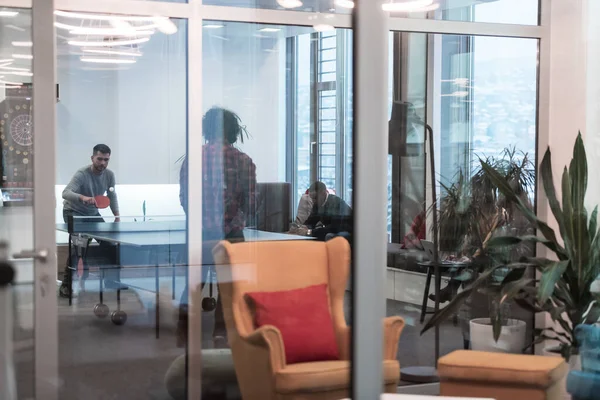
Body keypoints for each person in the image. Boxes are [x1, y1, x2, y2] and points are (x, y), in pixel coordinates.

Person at [177, 106, 257, 348]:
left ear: (206, 130)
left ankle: (183, 331)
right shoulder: (244, 161)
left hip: (200, 233)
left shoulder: (193, 159)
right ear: (234, 131)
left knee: (194, 282)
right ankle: (220, 333)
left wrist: (200, 219)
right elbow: (251, 202)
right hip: (231, 235)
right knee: (228, 287)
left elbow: (185, 197)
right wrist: (233, 219)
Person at [59, 144, 122, 298]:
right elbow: (65, 193)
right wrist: (83, 198)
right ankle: (66, 286)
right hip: (73, 212)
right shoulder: (82, 174)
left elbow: (111, 195)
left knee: (110, 244)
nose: (102, 163)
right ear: (92, 158)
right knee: (79, 248)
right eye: (99, 159)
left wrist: (117, 215)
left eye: (106, 160)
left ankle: (110, 281)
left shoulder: (109, 175)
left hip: (92, 213)